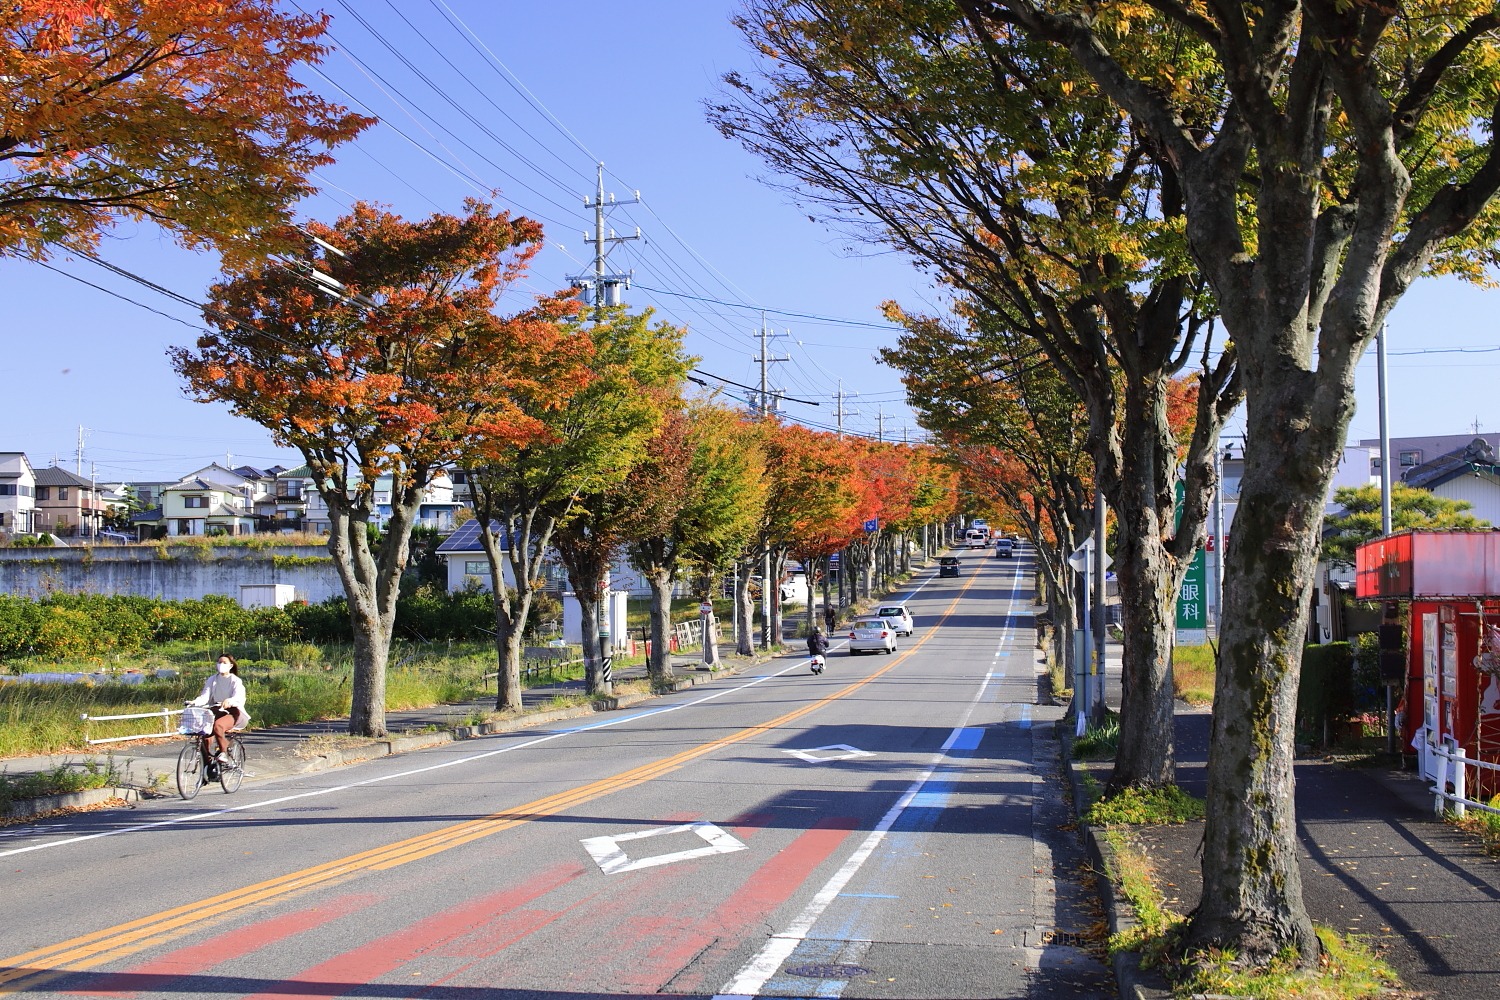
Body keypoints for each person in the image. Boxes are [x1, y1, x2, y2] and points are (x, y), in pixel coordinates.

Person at [186, 654, 249, 765]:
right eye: (219, 662)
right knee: (203, 732)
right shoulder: (212, 679)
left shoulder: (235, 681)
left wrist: (230, 701)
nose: (221, 665)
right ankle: (207, 764)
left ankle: (223, 752)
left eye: (224, 663)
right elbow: (205, 696)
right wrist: (194, 702)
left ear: (230, 665)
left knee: (218, 726)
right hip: (215, 710)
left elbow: (239, 697)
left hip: (231, 711)